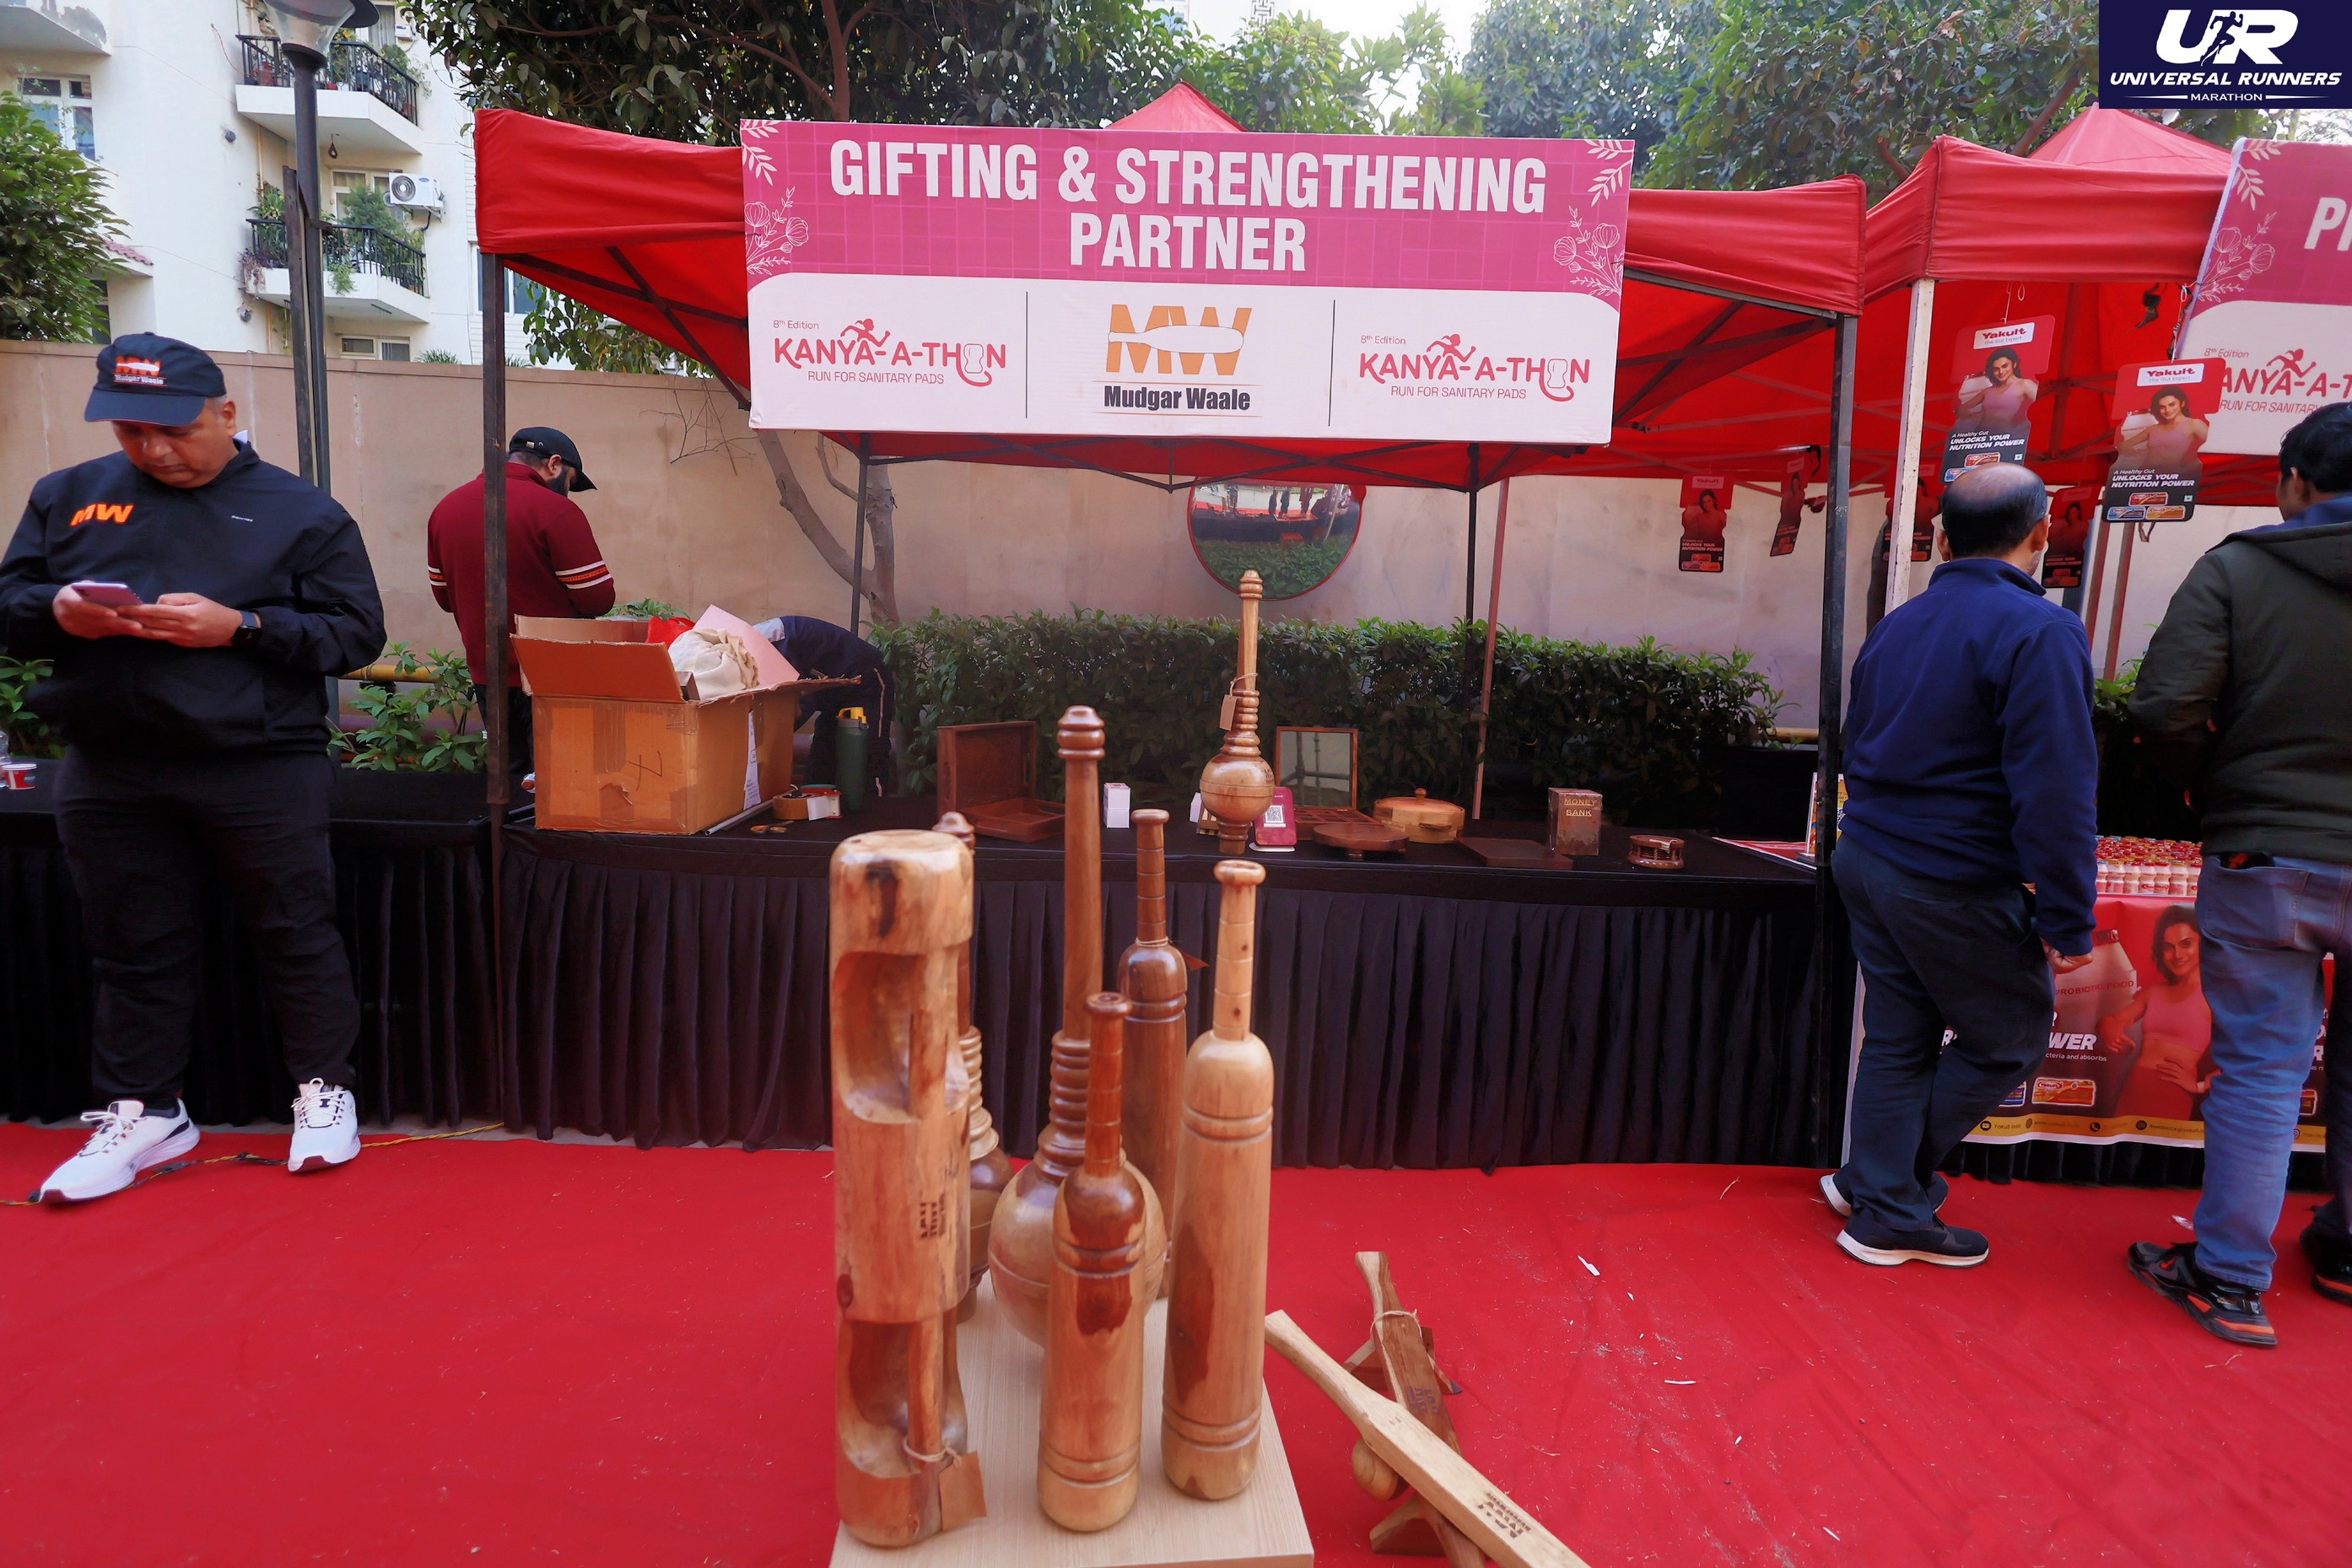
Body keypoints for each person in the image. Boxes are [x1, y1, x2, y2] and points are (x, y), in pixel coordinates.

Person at [0, 334, 386, 1199]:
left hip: (259, 760)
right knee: (131, 943)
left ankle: (324, 1090)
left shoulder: (300, 510)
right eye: (130, 432)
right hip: (111, 760)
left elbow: (356, 633)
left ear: (225, 412)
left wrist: (242, 627)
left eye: (173, 430)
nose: (154, 449)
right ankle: (145, 1109)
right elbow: (10, 605)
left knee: (294, 928)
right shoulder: (68, 496)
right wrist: (58, 610)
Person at [1823, 462, 2097, 1266]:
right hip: (1947, 872)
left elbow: (1856, 742)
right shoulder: (2041, 630)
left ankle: (1873, 1183)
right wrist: (2068, 915)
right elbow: (2057, 788)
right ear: (2042, 534)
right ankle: (1885, 1200)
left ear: (1942, 539)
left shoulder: (1900, 623)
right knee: (2009, 1035)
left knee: (1899, 1034)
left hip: (1869, 853)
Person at [2124, 401, 2352, 1346]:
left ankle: (2229, 1278)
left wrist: (2208, 790)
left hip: (2264, 852)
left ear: (2294, 481)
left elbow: (2165, 708)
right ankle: (2344, 1251)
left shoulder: (2238, 568)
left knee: (2262, 1068)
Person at [425, 427, 614, 775]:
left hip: (487, 672)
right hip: (550, 673)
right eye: (571, 481)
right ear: (554, 464)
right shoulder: (557, 511)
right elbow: (597, 599)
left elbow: (444, 597)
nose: (567, 490)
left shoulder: (445, 509)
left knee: (507, 779)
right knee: (555, 778)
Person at [751, 612, 892, 790]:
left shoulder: (772, 647)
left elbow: (798, 702)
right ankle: (816, 803)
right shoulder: (755, 641)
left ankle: (875, 804)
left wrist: (763, 741)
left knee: (868, 753)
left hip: (866, 679)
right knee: (821, 763)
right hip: (830, 692)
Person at [2098, 907, 2214, 1122]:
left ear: (2203, 944)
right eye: (2168, 947)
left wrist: (2200, 1085)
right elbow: (2111, 1021)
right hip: (2132, 1090)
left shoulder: (2213, 997)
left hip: (2171, 1096)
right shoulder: (2155, 992)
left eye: (2186, 944)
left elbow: (2247, 1053)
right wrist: (2108, 1028)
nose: (2177, 955)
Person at [2117, 389, 2210, 482]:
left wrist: (2191, 466)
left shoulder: (2194, 424)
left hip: (2169, 479)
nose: (2167, 410)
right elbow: (2123, 445)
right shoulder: (2154, 429)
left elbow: (2214, 446)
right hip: (2143, 477)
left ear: (2182, 403)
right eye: (2162, 407)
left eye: (2172, 405)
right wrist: (2137, 453)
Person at [1954, 348, 2039, 438]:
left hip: (2002, 438)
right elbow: (1961, 409)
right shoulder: (1988, 391)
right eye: (1996, 369)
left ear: (2014, 364)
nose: (2001, 372)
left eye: (2005, 366)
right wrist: (1974, 416)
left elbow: (2044, 403)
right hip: (1980, 437)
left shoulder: (2024, 384)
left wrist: (2025, 426)